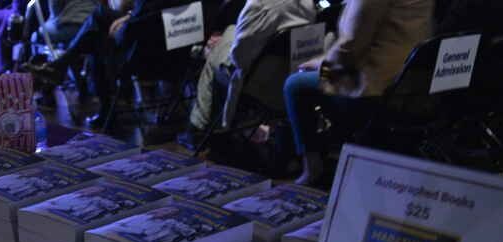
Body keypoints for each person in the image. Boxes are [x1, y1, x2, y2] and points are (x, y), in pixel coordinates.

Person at [283, 0, 434, 185]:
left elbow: (351, 46)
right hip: (409, 81)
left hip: (371, 81)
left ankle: (312, 168)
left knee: (295, 83)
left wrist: (322, 65)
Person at [26, 0, 189, 127]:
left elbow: (140, 22)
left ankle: (61, 67)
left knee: (97, 36)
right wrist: (129, 17)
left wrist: (126, 22)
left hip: (148, 57)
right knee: (98, 20)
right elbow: (149, 13)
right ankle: (61, 66)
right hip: (178, 49)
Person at [179, 0, 317, 149]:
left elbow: (239, 58)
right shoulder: (308, 3)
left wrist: (218, 46)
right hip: (293, 76)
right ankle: (238, 126)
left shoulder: (259, 5)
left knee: (216, 52)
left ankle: (198, 128)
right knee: (228, 36)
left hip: (259, 84)